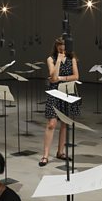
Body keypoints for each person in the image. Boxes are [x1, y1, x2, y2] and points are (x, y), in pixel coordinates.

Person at [39, 37, 80, 167]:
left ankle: (60, 152)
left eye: (64, 45)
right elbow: (53, 76)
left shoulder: (72, 59)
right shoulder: (51, 59)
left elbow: (76, 76)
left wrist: (60, 78)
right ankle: (45, 155)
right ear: (56, 46)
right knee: (51, 124)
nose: (62, 47)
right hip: (54, 93)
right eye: (59, 45)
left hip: (67, 92)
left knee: (64, 124)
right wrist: (58, 61)